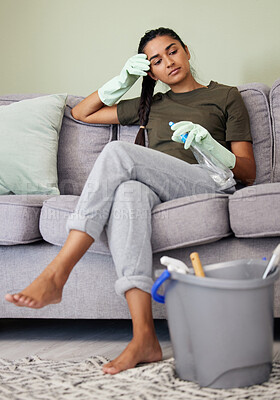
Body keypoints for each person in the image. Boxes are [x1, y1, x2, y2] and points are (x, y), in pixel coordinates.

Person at [5, 27, 256, 374]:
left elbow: (248, 172)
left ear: (185, 50)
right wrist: (120, 80)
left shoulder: (226, 95)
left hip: (209, 180)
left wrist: (211, 148)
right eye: (156, 60)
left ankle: (57, 271)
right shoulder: (151, 104)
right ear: (149, 71)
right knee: (129, 193)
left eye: (172, 51)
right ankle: (144, 338)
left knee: (118, 153)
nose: (168, 62)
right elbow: (83, 114)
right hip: (159, 184)